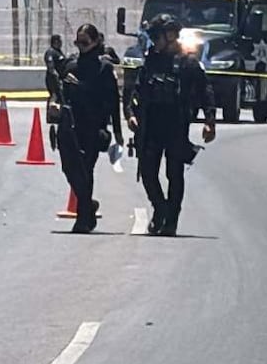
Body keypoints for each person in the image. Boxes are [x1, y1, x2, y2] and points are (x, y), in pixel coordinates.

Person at [123, 13, 217, 237]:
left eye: (158, 36)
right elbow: (137, 90)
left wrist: (209, 120)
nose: (155, 41)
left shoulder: (188, 62)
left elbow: (206, 91)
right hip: (151, 123)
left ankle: (171, 219)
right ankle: (160, 208)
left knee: (174, 173)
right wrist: (131, 114)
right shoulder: (151, 60)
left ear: (171, 35)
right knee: (147, 171)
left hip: (176, 123)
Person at [52, 24, 125, 233]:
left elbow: (112, 101)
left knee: (86, 170)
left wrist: (118, 132)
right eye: (78, 42)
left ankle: (84, 217)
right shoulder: (71, 66)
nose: (81, 46)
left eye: (85, 42)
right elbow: (60, 93)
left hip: (93, 126)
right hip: (70, 125)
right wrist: (55, 104)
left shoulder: (103, 69)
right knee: (69, 169)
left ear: (95, 42)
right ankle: (88, 204)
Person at [44, 35, 67, 99]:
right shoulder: (50, 52)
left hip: (61, 79)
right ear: (56, 41)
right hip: (53, 80)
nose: (61, 43)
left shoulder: (59, 52)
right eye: (60, 41)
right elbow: (50, 67)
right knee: (55, 98)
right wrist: (56, 78)